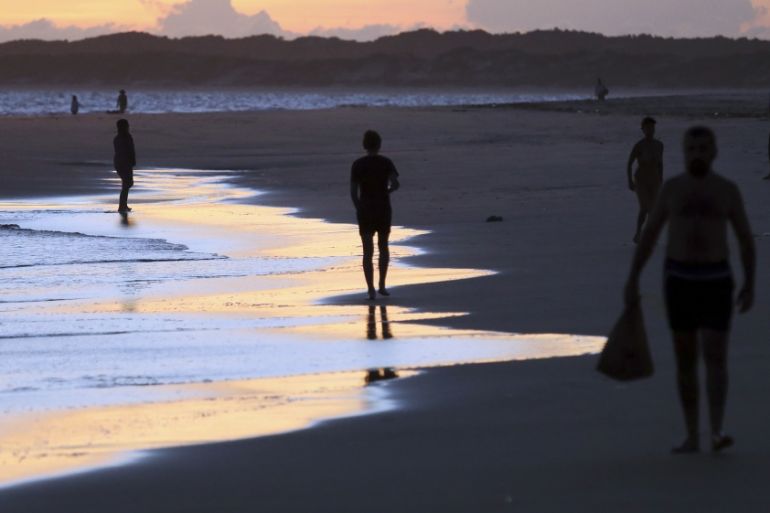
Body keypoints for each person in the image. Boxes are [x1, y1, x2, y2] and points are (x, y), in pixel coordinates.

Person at [624, 126, 755, 454]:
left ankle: (717, 430)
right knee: (685, 360)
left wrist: (750, 282)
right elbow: (650, 237)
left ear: (713, 153)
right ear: (685, 152)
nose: (697, 154)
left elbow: (744, 239)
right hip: (680, 280)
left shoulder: (727, 190)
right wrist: (633, 278)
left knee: (715, 357)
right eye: (692, 149)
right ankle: (692, 434)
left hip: (716, 280)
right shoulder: (672, 190)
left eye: (703, 149)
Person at [350, 130, 400, 300]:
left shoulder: (357, 164)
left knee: (367, 251)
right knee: (383, 246)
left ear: (364, 145)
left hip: (365, 209)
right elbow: (395, 183)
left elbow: (353, 192)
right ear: (379, 145)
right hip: (383, 207)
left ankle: (370, 289)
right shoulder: (386, 162)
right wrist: (387, 191)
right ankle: (382, 285)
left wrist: (359, 207)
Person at [627, 117, 664, 243]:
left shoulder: (659, 145)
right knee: (644, 207)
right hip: (641, 179)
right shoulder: (639, 145)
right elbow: (629, 163)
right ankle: (638, 232)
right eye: (647, 128)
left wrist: (661, 179)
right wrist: (630, 181)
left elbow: (660, 164)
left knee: (653, 209)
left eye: (652, 127)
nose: (650, 130)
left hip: (654, 179)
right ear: (643, 130)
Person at [113, 119, 136, 214]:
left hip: (118, 162)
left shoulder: (117, 138)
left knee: (126, 183)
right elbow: (130, 150)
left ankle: (123, 205)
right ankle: (122, 206)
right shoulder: (127, 137)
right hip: (125, 162)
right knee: (127, 183)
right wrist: (132, 160)